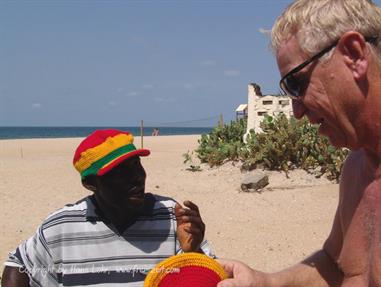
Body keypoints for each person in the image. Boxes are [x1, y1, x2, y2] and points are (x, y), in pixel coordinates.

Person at [218, 0, 381, 286]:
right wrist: (264, 282)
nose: (297, 111)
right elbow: (334, 263)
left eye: (296, 84)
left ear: (354, 55)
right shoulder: (356, 168)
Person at [2, 129, 213, 286]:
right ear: (91, 184)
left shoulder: (171, 216)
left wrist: (193, 252)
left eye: (137, 165)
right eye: (120, 172)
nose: (137, 177)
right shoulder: (62, 227)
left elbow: (210, 279)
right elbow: (18, 265)